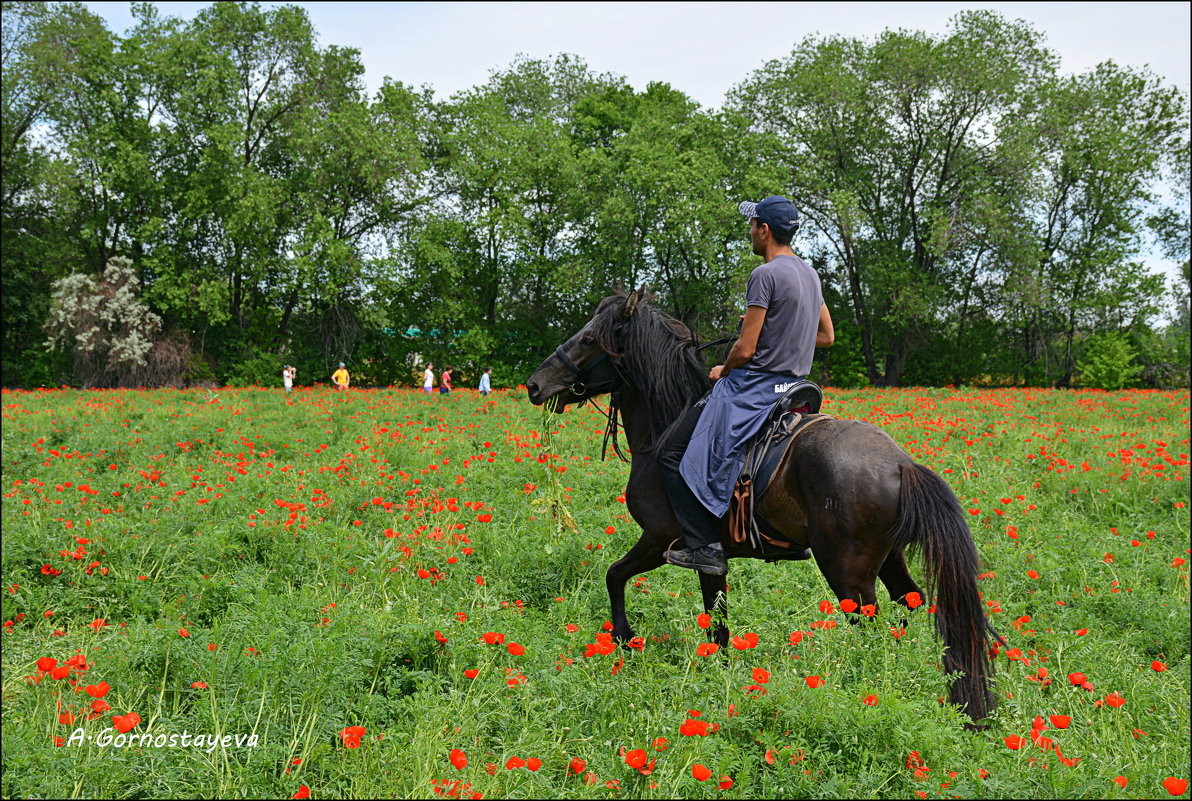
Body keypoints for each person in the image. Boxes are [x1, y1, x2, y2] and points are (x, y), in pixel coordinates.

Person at [659, 195, 834, 575]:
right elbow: (825, 335)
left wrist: (724, 368)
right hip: (792, 389)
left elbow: (745, 347)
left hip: (754, 388)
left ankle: (704, 545)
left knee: (671, 453)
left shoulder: (765, 275)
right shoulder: (810, 273)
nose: (750, 231)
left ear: (765, 230)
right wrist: (779, 326)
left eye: (752, 225)